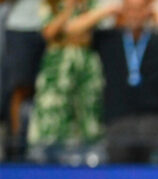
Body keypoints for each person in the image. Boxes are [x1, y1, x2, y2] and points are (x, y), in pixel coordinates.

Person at [65, 0, 158, 163]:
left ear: (148, 10)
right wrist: (106, 12)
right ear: (123, 9)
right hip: (119, 118)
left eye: (140, 9)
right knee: (120, 178)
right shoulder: (110, 37)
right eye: (130, 9)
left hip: (156, 119)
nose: (135, 14)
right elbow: (70, 31)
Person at [27, 0, 104, 163]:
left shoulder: (91, 3)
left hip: (85, 63)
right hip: (57, 66)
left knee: (87, 109)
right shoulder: (49, 3)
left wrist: (67, 31)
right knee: (51, 107)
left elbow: (85, 31)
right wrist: (68, 11)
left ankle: (88, 157)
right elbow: (49, 32)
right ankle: (45, 155)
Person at [3, 0, 45, 159]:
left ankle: (34, 142)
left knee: (38, 88)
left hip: (46, 26)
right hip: (19, 29)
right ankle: (15, 147)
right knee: (20, 88)